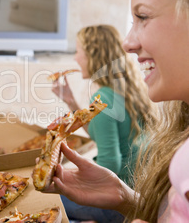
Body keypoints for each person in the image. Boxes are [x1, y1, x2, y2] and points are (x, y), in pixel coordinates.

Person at [43, 0, 189, 222]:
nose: (128, 42)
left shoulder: (103, 97)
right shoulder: (122, 91)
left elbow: (110, 159)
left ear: (94, 54)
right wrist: (125, 198)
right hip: (129, 191)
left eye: (143, 17)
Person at [51, 25, 157, 222]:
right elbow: (103, 136)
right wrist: (71, 101)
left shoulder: (102, 99)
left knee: (46, 200)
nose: (75, 58)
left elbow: (110, 163)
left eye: (78, 51)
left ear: (93, 55)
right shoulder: (127, 88)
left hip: (118, 200)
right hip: (140, 192)